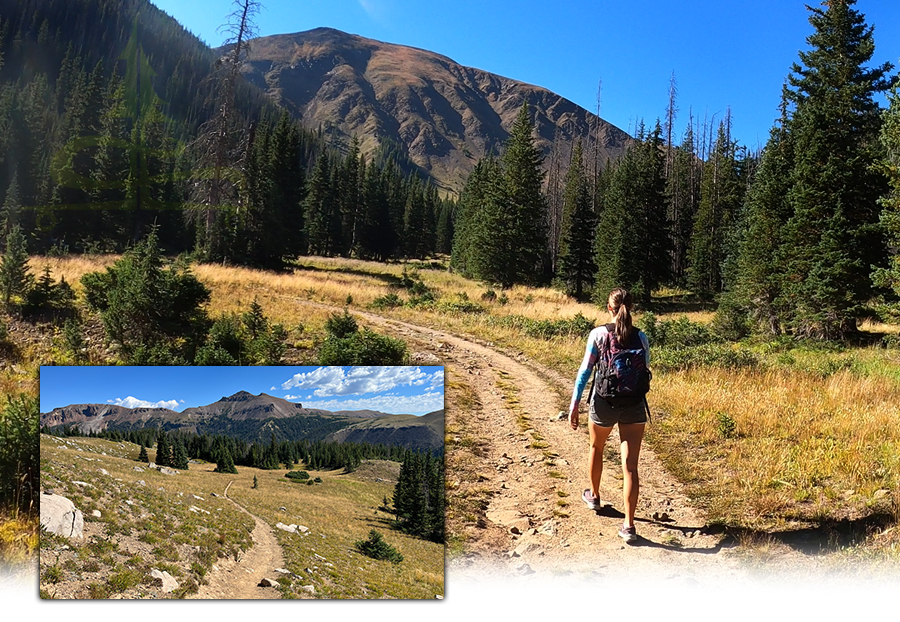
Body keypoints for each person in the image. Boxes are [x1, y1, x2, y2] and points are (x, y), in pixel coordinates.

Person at [568, 287, 649, 544]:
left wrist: (574, 403)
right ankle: (629, 525)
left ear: (609, 308)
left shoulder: (599, 334)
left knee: (597, 447)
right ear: (631, 309)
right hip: (634, 404)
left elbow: (585, 372)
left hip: (603, 401)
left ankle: (594, 495)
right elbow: (644, 371)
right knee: (631, 466)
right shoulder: (642, 337)